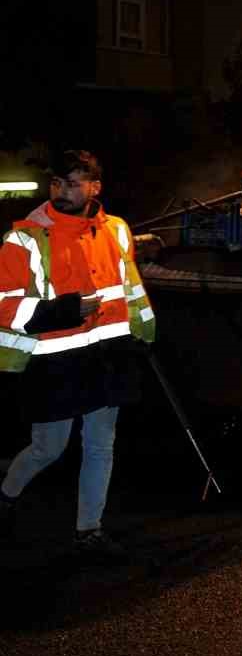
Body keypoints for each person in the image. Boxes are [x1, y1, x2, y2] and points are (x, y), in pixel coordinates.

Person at [0, 151, 156, 558]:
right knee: (47, 449)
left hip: (108, 357)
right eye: (57, 183)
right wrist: (60, 311)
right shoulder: (25, 237)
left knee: (101, 445)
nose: (63, 190)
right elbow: (4, 305)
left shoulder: (117, 230)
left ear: (94, 186)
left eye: (72, 182)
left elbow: (130, 290)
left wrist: (142, 332)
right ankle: (5, 495)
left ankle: (89, 531)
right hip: (56, 362)